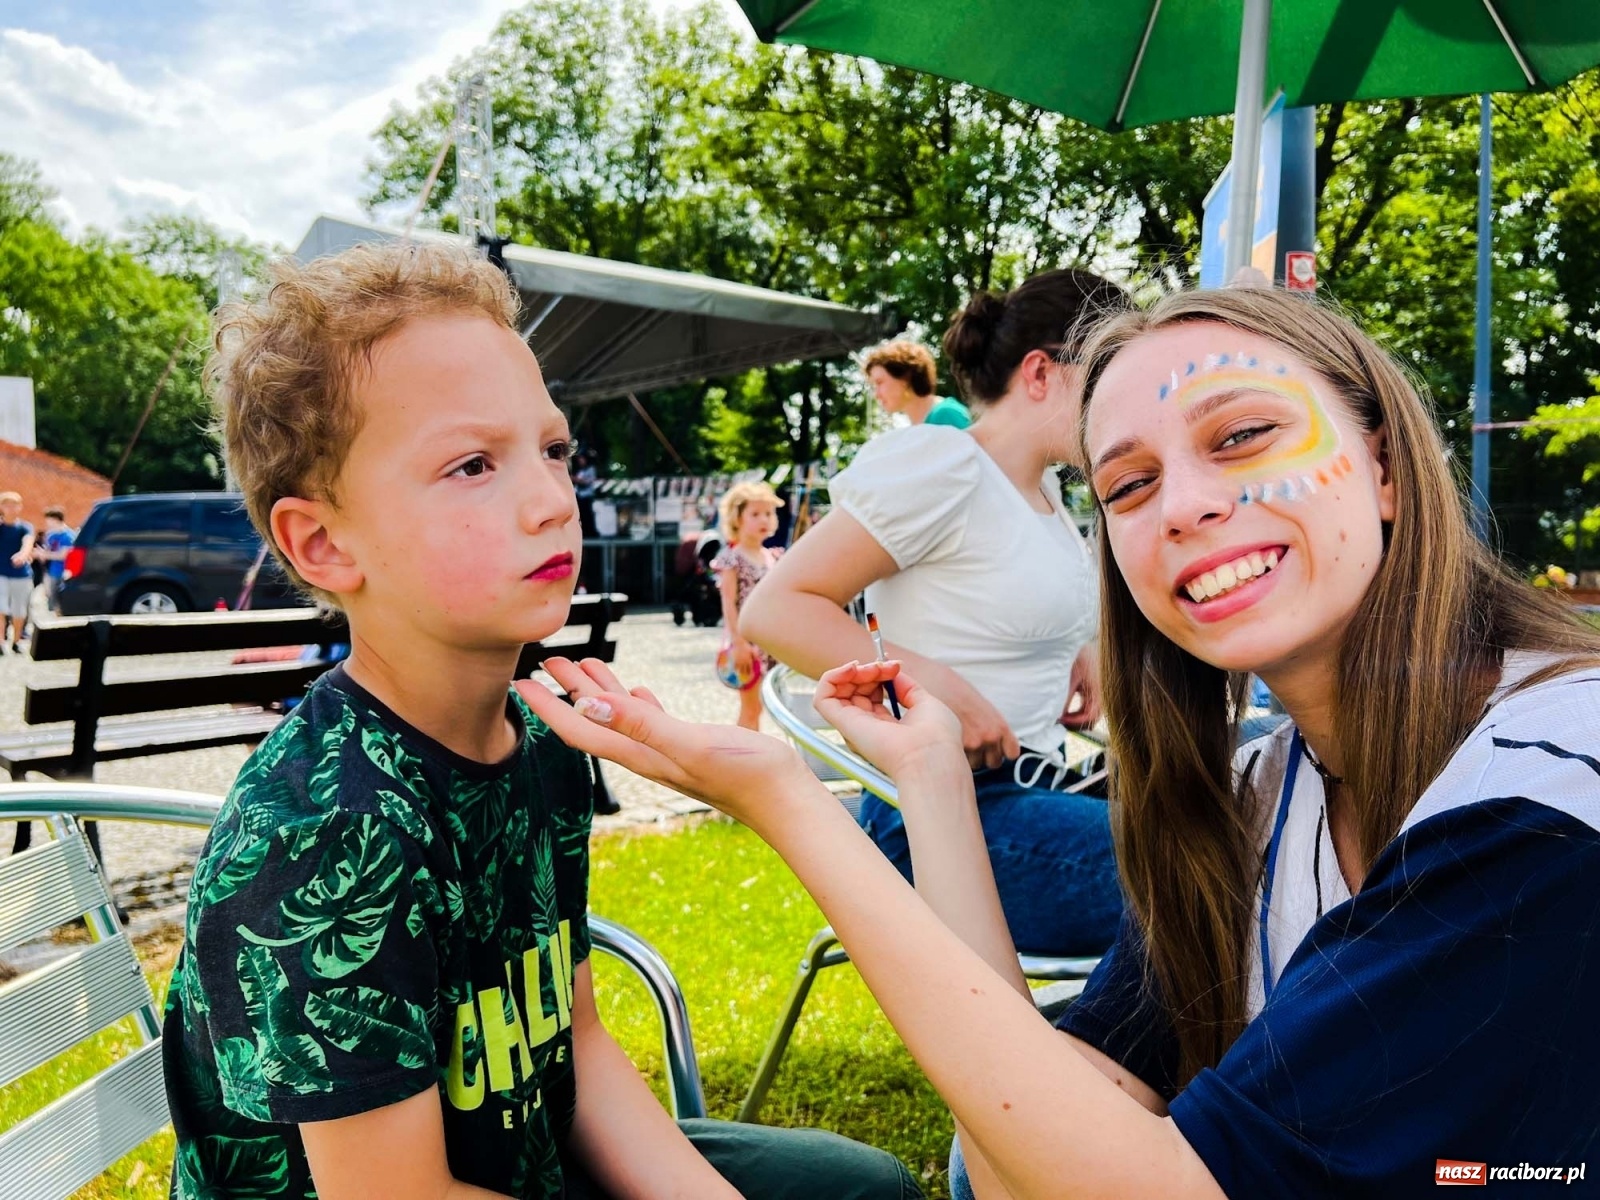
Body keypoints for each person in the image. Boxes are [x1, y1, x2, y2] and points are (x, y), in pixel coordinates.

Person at [522, 287, 1600, 1198]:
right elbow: (1015, 1168)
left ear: (1385, 467)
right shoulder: (1250, 801)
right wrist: (930, 770)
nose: (1180, 507)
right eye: (1126, 485)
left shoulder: (1550, 795)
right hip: (991, 795)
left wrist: (794, 808)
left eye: (1240, 436)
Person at [162, 240, 921, 1200]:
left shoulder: (546, 740)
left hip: (534, 1163)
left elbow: (578, 1043)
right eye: (472, 464)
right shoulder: (324, 828)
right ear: (323, 542)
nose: (551, 501)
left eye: (554, 450)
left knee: (862, 1186)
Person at [741, 269, 1127, 957]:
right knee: (1207, 873)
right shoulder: (946, 465)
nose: (1129, 401)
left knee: (1243, 819)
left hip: (1032, 790)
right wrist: (938, 689)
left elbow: (992, 595)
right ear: (1041, 372)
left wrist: (1076, 646)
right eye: (1111, 376)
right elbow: (776, 609)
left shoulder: (1041, 487)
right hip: (939, 816)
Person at [709, 481, 784, 731]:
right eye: (755, 514)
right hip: (748, 642)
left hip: (771, 642)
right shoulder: (733, 558)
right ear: (737, 517)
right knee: (751, 708)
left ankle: (755, 749)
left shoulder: (773, 556)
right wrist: (739, 642)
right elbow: (728, 602)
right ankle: (744, 751)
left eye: (768, 513)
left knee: (767, 704)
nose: (764, 519)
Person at [863, 340, 971, 428]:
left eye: (879, 382)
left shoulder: (946, 415)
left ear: (905, 378)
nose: (876, 394)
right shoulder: (917, 429)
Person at [0, 492, 34, 651]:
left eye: (14, 505)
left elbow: (28, 542)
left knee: (19, 610)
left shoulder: (25, 527)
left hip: (21, 575)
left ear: (20, 507)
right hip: (1, 573)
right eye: (7, 505)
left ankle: (16, 640)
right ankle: (0, 641)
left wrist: (22, 554)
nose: (11, 508)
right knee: (0, 608)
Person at [35, 506, 75, 615]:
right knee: (52, 601)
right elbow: (48, 551)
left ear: (55, 519)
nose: (47, 523)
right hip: (51, 572)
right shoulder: (51, 535)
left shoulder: (68, 536)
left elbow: (63, 555)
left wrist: (45, 555)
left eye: (49, 520)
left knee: (60, 603)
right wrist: (41, 554)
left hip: (63, 572)